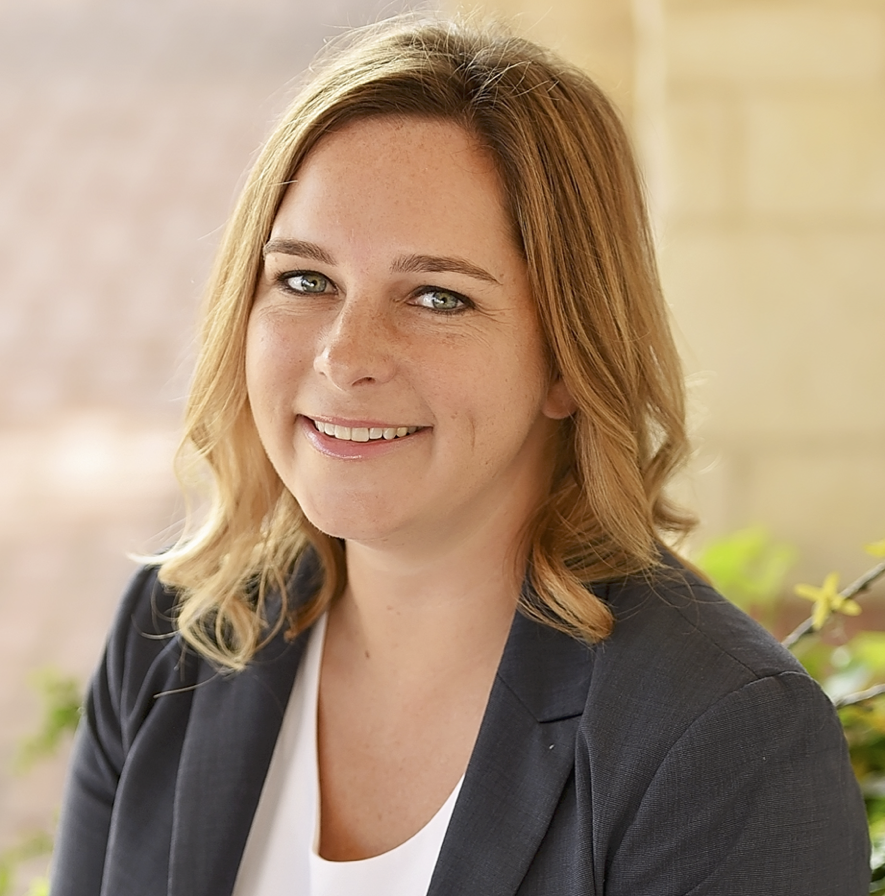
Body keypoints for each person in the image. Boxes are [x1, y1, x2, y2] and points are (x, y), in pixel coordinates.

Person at [51, 14, 869, 896]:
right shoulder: (178, 634)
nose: (344, 355)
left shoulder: (723, 741)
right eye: (304, 279)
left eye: (437, 296)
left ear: (568, 357)